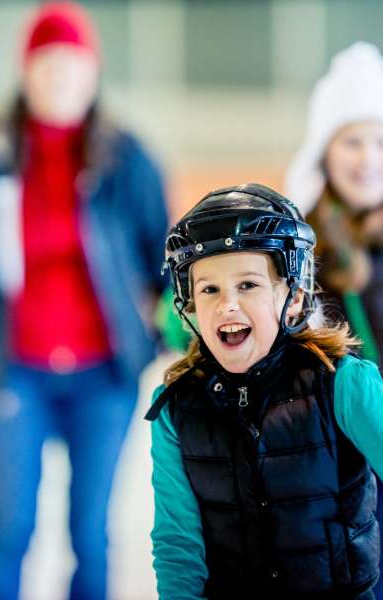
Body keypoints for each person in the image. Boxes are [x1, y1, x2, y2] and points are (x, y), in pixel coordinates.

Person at [0, 3, 168, 599]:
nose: (59, 76)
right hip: (18, 371)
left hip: (103, 374)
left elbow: (165, 261)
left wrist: (161, 336)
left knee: (90, 530)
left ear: (92, 72)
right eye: (46, 64)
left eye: (71, 64)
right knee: (14, 528)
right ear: (26, 71)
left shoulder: (126, 158)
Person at [146, 183, 383, 599]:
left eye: (249, 285)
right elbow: (178, 546)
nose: (227, 305)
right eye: (209, 289)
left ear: (293, 298)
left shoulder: (343, 383)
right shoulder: (174, 407)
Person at [285, 42, 383, 598]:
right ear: (325, 150)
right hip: (335, 468)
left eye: (379, 141)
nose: (368, 157)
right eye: (353, 141)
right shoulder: (297, 244)